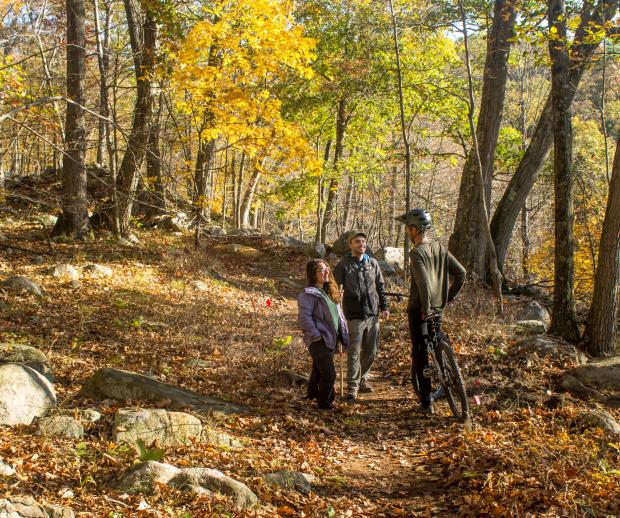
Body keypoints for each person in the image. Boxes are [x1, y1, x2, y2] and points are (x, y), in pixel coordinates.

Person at [394, 209, 466, 415]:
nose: (407, 232)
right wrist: (448, 297)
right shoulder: (440, 248)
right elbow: (461, 273)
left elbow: (423, 283)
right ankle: (446, 372)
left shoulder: (416, 253)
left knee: (420, 353)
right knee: (436, 343)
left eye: (408, 228)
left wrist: (425, 309)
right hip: (438, 308)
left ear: (415, 229)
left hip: (420, 310)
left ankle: (426, 403)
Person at [333, 232, 389, 400]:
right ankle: (352, 387)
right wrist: (336, 306)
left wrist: (384, 307)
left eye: (363, 241)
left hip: (372, 314)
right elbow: (334, 290)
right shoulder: (343, 265)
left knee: (371, 351)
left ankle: (362, 377)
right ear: (350, 245)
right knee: (354, 352)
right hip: (354, 315)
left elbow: (380, 286)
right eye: (357, 242)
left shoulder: (373, 263)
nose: (361, 244)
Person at [298, 259, 349, 410]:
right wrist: (316, 335)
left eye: (327, 269)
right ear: (313, 274)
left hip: (330, 340)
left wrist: (343, 338)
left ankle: (312, 394)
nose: (326, 272)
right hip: (318, 340)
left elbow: (340, 318)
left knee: (318, 369)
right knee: (329, 374)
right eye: (321, 270)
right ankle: (325, 403)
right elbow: (304, 318)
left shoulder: (330, 293)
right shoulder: (308, 294)